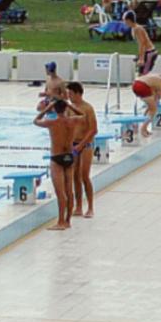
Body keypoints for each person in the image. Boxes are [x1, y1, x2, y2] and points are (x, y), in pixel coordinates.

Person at [34, 98, 79, 231]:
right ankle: (67, 221)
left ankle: (60, 222)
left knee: (60, 193)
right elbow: (83, 115)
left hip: (56, 158)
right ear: (65, 108)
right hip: (69, 156)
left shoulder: (51, 122)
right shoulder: (72, 121)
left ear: (54, 109)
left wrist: (47, 109)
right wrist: (70, 106)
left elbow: (35, 120)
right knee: (69, 191)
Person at [67, 81, 98, 219]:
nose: (69, 96)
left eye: (70, 94)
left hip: (86, 145)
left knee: (84, 176)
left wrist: (81, 144)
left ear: (78, 93)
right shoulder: (70, 108)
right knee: (75, 177)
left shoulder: (88, 108)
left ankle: (90, 207)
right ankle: (78, 206)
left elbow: (93, 130)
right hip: (73, 145)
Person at [125, 10, 158, 75]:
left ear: (128, 20)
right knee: (140, 73)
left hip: (149, 52)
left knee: (143, 74)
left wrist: (141, 58)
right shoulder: (134, 28)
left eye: (124, 20)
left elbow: (142, 43)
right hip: (146, 52)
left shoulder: (138, 29)